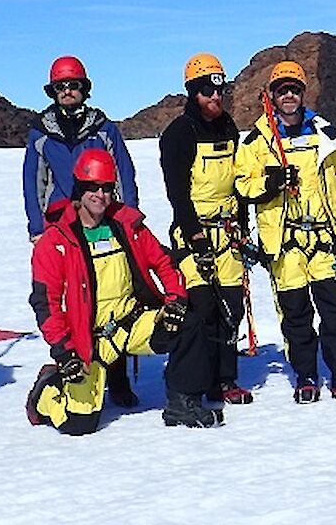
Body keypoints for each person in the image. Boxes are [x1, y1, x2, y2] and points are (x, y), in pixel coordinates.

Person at [27, 149, 222, 432]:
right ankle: (47, 391)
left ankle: (183, 403)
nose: (100, 195)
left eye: (107, 188)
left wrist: (176, 299)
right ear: (79, 190)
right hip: (86, 341)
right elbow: (46, 303)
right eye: (92, 187)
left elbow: (164, 263)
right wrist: (63, 351)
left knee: (188, 325)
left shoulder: (127, 226)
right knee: (80, 424)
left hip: (130, 324)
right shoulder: (55, 240)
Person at [234, 61, 336, 403]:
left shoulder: (326, 136)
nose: (289, 96)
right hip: (284, 244)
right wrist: (270, 183)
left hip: (326, 240)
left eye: (294, 89)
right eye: (282, 91)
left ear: (303, 93)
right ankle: (306, 375)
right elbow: (242, 185)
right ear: (273, 96)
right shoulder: (257, 143)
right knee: (295, 315)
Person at [22, 55, 140, 407]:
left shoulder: (104, 129)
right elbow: (34, 181)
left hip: (104, 220)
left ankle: (116, 379)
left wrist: (129, 217)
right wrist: (36, 227)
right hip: (63, 225)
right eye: (61, 86)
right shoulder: (40, 133)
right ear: (53, 91)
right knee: (73, 299)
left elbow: (124, 173)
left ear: (84, 89)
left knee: (112, 294)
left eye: (73, 85)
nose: (68, 91)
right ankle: (75, 368)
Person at [157, 53, 254, 407]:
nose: (215, 98)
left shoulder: (228, 127)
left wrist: (243, 227)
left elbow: (238, 182)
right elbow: (177, 194)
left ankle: (225, 380)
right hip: (194, 232)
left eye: (219, 92)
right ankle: (194, 381)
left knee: (231, 307)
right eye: (206, 93)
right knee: (202, 308)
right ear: (192, 93)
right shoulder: (179, 134)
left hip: (228, 233)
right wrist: (195, 238)